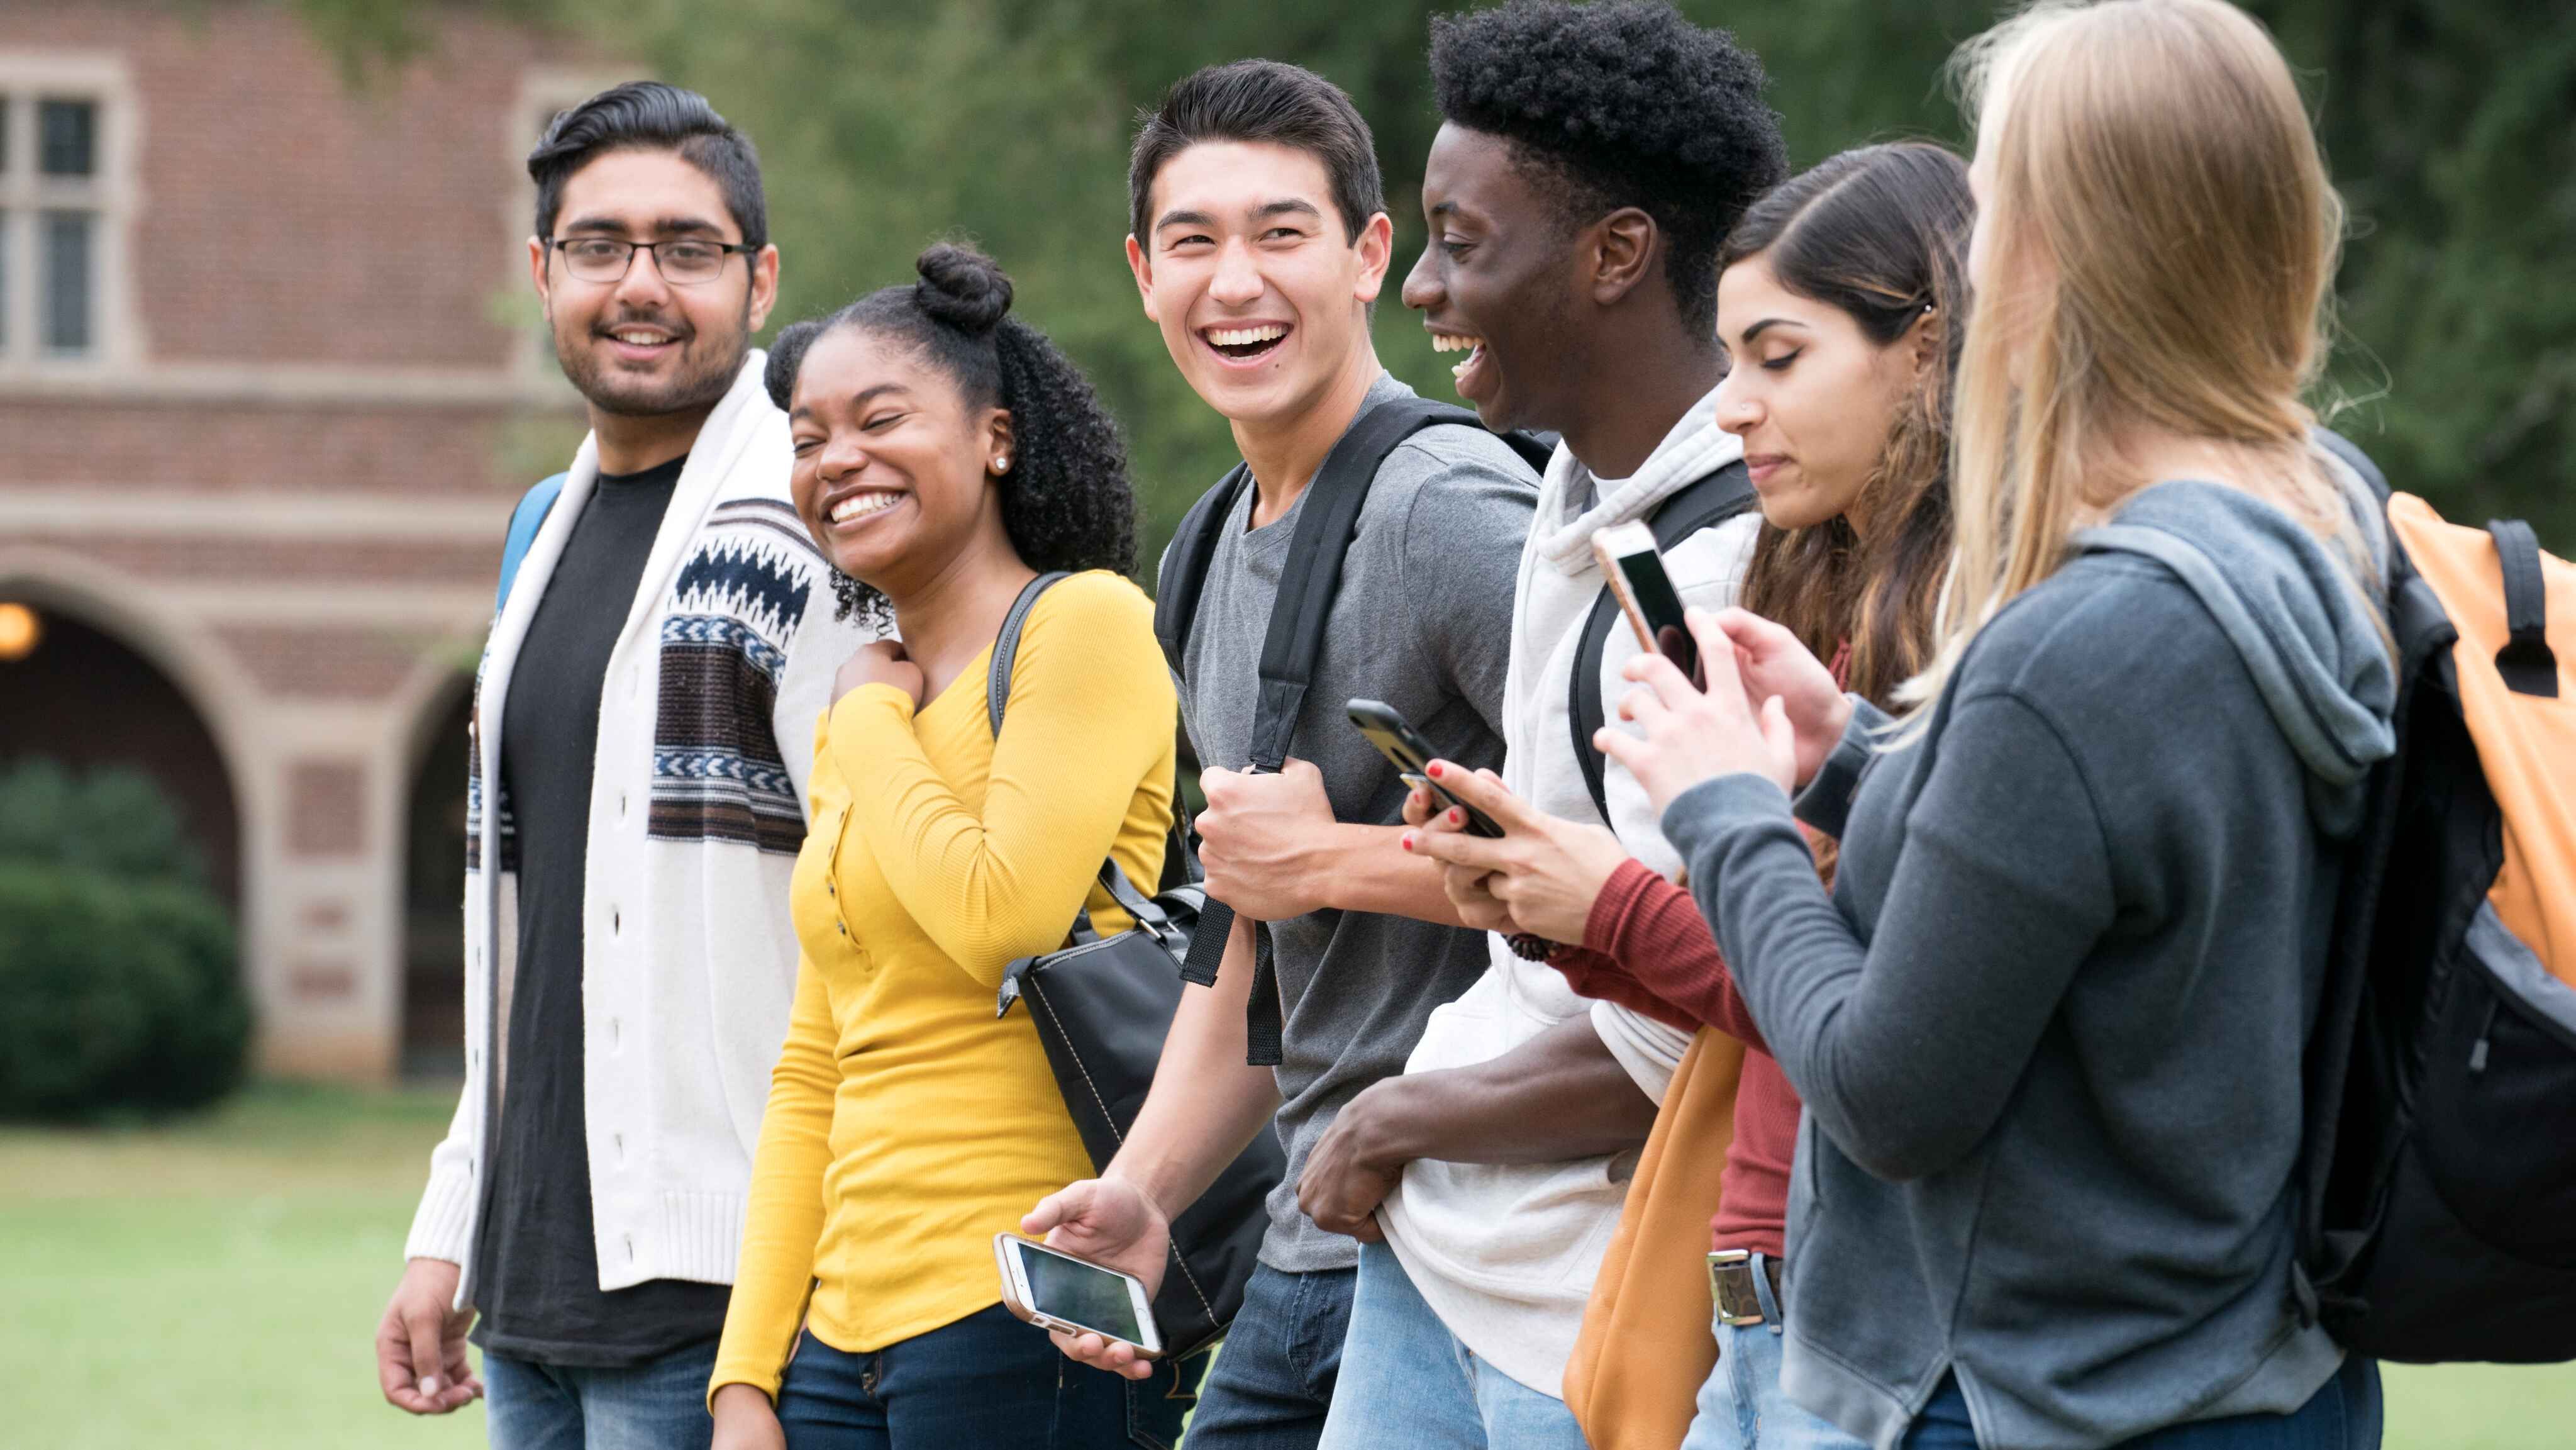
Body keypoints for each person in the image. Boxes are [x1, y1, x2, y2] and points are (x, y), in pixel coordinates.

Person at [1602, 1, 2394, 1444]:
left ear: (2038, 258)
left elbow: (1888, 1092)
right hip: (2260, 1371)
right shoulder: (2323, 516)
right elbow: (2134, 884)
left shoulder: (2078, 643)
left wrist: (1723, 812)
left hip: (2043, 1397)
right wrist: (1850, 751)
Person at [1407, 141, 1973, 1450]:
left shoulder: (1986, 636)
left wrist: (1611, 907)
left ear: (1928, 352)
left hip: (1875, 1307)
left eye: (1776, 358)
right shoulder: (1829, 597)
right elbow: (1778, 989)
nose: (1730, 408)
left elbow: (1862, 1025)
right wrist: (1560, 906)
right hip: (1771, 1278)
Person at [1282, 4, 1788, 1445]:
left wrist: (1389, 1119)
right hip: (1443, 1262)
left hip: (1593, 1313)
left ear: (1615, 254)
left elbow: (1687, 1025)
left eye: (1459, 239)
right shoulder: (1570, 488)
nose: (1425, 288)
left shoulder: (1727, 563)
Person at [1022, 59, 1539, 1449]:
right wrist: (1143, 1190)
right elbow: (1246, 943)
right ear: (1141, 273)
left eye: (1280, 233)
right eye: (1192, 241)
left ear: (1370, 255)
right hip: (1305, 1234)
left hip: (1480, 1253)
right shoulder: (1202, 551)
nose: (1232, 281)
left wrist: (1334, 859)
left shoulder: (1450, 510)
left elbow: (1646, 868)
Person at [375, 82, 876, 1449]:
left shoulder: (819, 522)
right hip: (531, 1294)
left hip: (718, 1296)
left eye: (687, 248)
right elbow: (522, 934)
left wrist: (771, 1333)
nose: (639, 285)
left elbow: (879, 928)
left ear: (760, 279)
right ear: (542, 274)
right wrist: (449, 1225)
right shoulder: (539, 532)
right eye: (599, 247)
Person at [702, 245, 1191, 1450]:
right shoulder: (864, 712)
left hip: (1028, 1304)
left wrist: (868, 715)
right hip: (839, 1333)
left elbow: (1001, 916)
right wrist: (746, 1375)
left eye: (880, 418)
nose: (836, 462)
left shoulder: (1084, 623)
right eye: (809, 439)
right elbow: (816, 1061)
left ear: (997, 439)